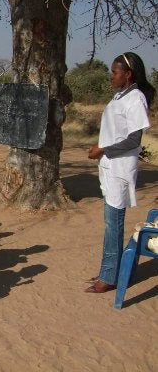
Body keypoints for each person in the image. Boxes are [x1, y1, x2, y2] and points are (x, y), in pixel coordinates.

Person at [86, 52, 154, 293]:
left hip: (120, 169)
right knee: (110, 223)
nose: (111, 77)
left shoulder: (135, 98)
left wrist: (103, 149)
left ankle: (109, 277)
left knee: (113, 224)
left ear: (128, 74)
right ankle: (109, 269)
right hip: (110, 167)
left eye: (115, 73)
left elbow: (134, 140)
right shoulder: (119, 97)